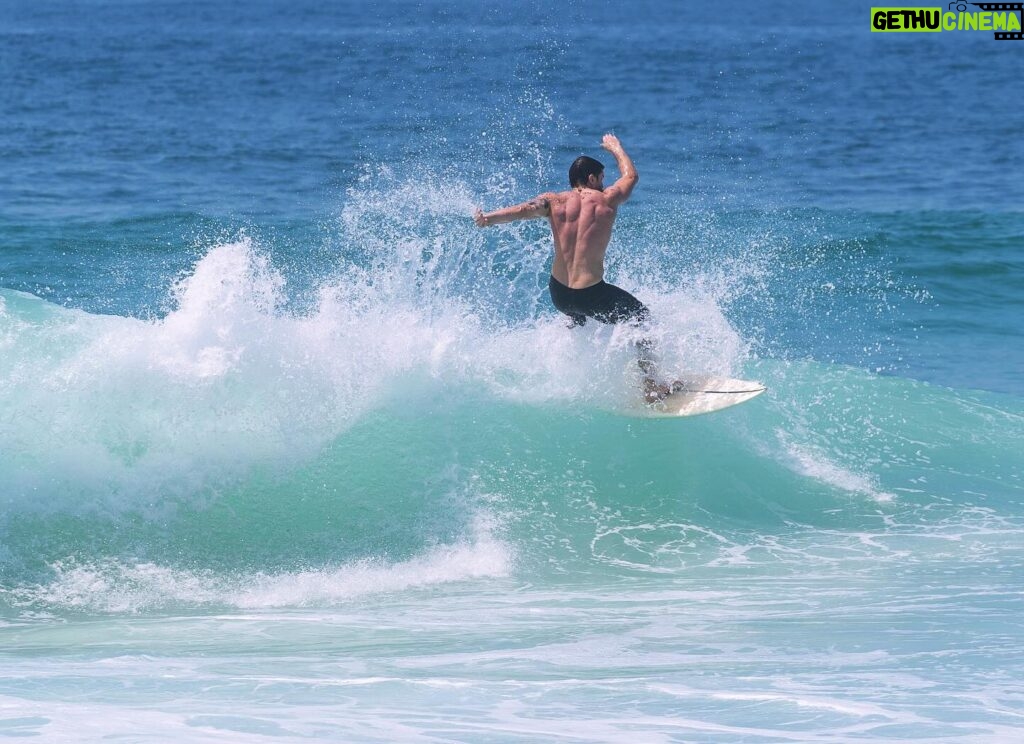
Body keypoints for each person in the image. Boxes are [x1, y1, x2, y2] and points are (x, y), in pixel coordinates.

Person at [474, 134, 670, 402]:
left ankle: (565, 364)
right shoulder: (606, 200)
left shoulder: (552, 202)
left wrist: (488, 219)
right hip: (592, 295)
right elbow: (631, 177)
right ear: (591, 179)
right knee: (642, 321)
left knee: (579, 316)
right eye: (601, 178)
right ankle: (652, 386)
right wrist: (616, 148)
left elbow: (522, 210)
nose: (603, 184)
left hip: (559, 295)